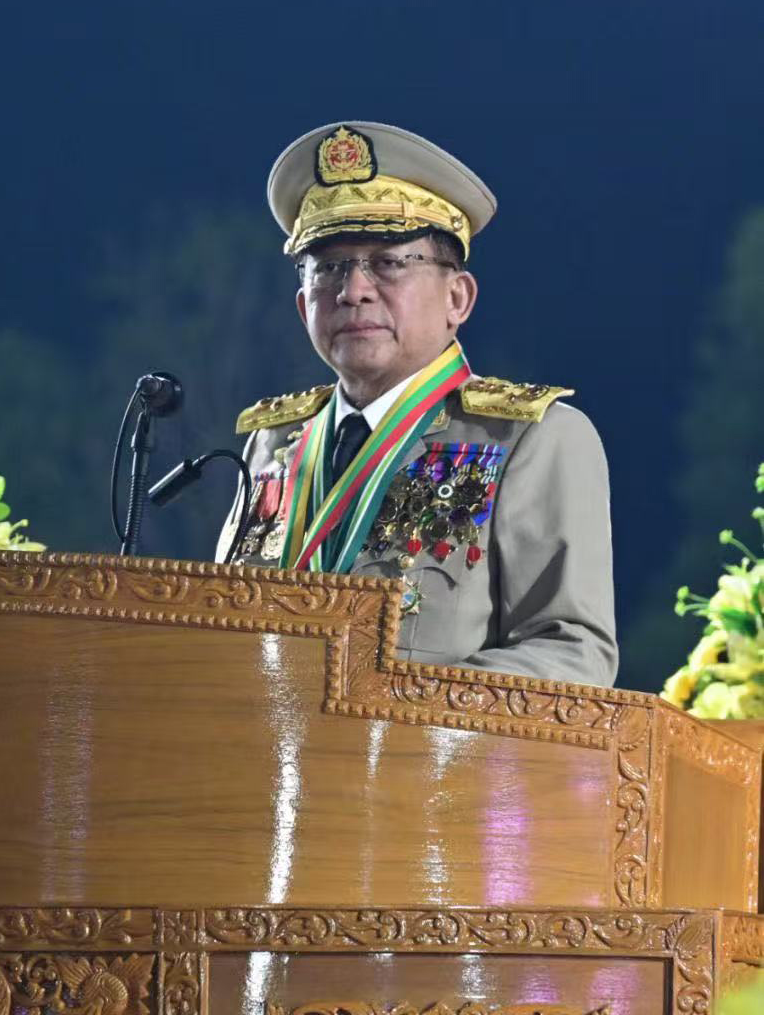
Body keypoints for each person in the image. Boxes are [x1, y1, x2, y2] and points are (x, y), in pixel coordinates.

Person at [217, 120, 618, 687]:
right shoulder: (273, 445)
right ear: (304, 305)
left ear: (458, 298)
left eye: (388, 262)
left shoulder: (531, 438)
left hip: (428, 746)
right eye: (329, 267)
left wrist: (388, 706)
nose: (353, 290)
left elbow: (574, 655)